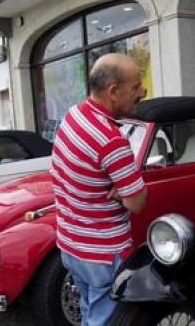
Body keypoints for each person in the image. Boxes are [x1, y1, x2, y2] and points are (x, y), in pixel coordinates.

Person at [50, 53, 148, 326]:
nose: (142, 92)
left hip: (71, 244)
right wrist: (122, 189)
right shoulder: (111, 141)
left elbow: (63, 172)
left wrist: (118, 187)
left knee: (88, 308)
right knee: (104, 320)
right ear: (113, 91)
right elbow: (138, 201)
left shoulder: (72, 116)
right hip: (102, 254)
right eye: (136, 86)